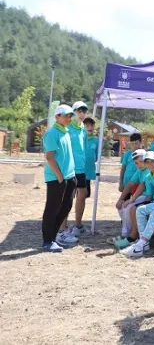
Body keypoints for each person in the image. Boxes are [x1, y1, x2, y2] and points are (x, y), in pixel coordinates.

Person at [41, 104, 79, 251]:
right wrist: (60, 177)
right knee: (52, 208)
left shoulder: (66, 132)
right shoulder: (52, 133)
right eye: (65, 115)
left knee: (66, 207)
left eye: (70, 116)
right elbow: (49, 157)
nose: (68, 118)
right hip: (57, 178)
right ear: (57, 117)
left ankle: (53, 237)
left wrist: (70, 176)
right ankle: (47, 241)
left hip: (69, 176)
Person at [60, 100, 90, 237]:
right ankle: (63, 228)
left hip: (81, 169)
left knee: (82, 196)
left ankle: (78, 225)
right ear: (73, 112)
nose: (82, 114)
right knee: (67, 198)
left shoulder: (83, 128)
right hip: (69, 168)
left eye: (84, 111)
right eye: (79, 111)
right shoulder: (67, 127)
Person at [111, 149, 148, 248]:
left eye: (141, 161)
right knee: (122, 205)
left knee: (129, 207)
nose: (139, 165)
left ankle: (129, 235)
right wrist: (120, 199)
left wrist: (131, 199)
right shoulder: (140, 171)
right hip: (141, 196)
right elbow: (129, 184)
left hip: (149, 197)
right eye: (136, 163)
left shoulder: (149, 170)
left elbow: (142, 186)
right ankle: (126, 233)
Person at [83, 117, 99, 198]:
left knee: (86, 194)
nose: (90, 127)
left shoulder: (96, 140)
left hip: (89, 169)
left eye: (91, 125)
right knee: (79, 193)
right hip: (79, 169)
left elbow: (97, 155)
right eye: (87, 125)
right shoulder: (81, 138)